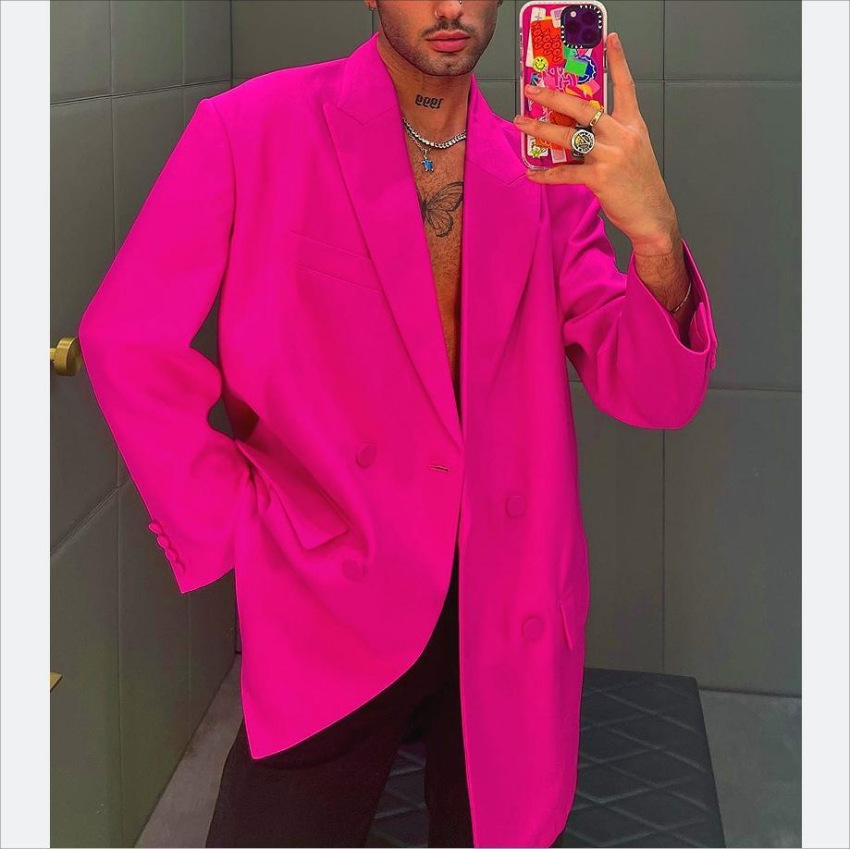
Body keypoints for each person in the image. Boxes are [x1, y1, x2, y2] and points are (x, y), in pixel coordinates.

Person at [78, 1, 718, 846]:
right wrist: (244, 526)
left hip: (506, 603)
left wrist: (657, 239)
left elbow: (649, 392)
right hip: (335, 592)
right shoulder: (252, 130)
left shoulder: (545, 174)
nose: (449, 7)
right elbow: (127, 338)